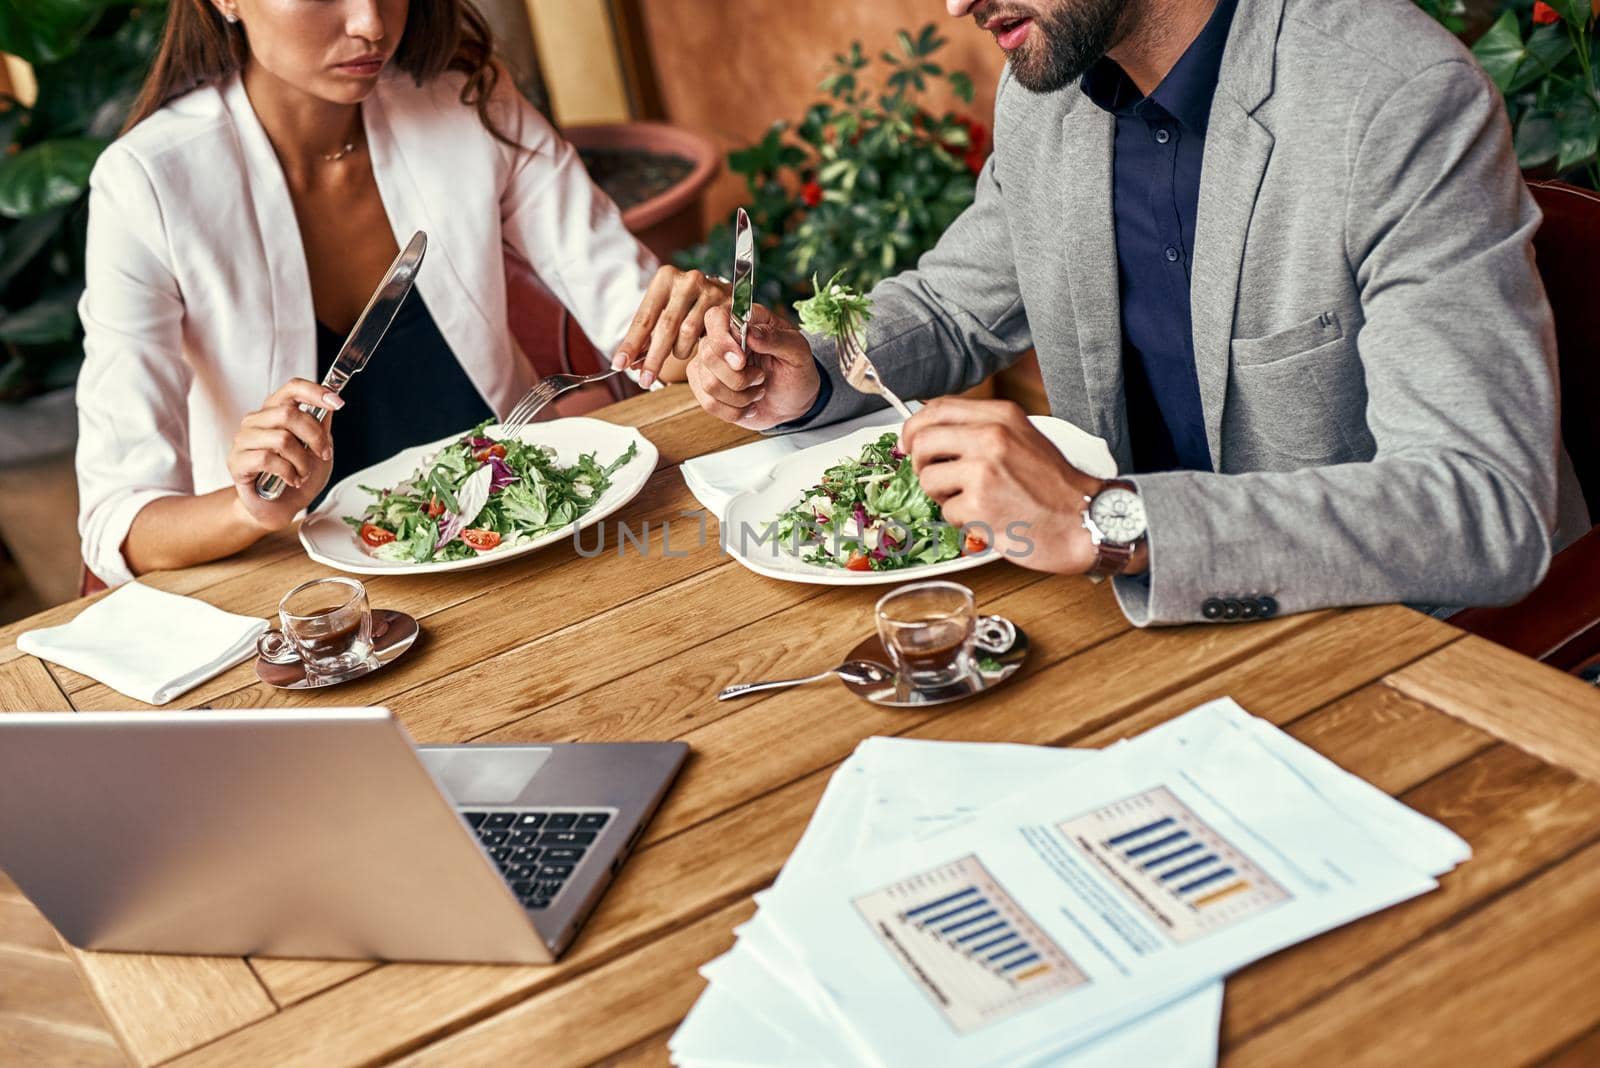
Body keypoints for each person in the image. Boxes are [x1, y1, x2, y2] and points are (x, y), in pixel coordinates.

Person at [669, 0, 1591, 625]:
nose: (951, 3)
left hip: (1423, 651)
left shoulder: (1392, 94)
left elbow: (1483, 505)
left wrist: (1109, 520)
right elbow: (956, 307)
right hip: (1148, 629)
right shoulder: (1050, 91)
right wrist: (816, 367)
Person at [76, 0, 724, 585]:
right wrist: (249, 507)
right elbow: (119, 522)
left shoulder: (466, 100)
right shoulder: (149, 185)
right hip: (317, 603)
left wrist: (700, 332)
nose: (371, 24)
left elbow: (639, 329)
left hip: (529, 540)